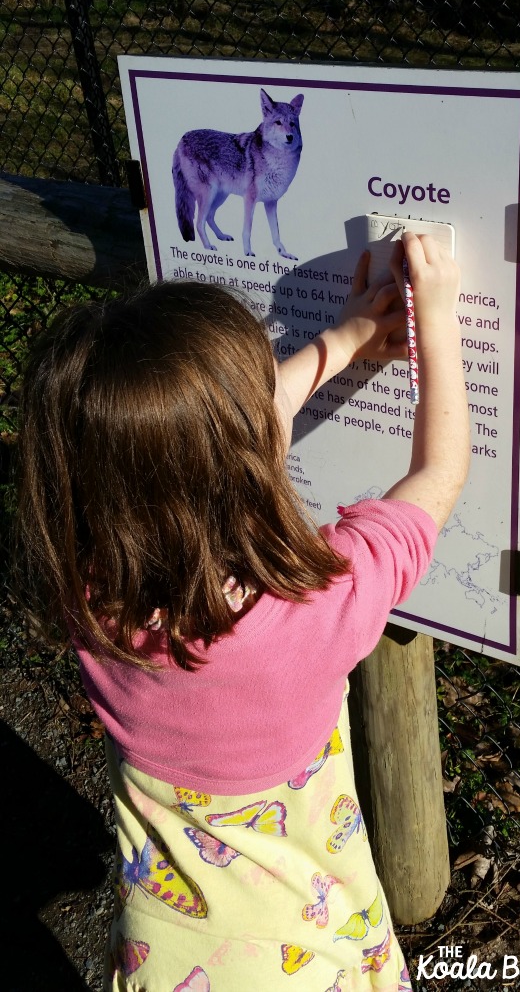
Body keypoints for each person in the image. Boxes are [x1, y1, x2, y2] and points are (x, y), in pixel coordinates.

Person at [15, 233, 469, 992]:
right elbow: (438, 473)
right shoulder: (319, 604)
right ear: (248, 454)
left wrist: (344, 338)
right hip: (309, 961)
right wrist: (440, 320)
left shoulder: (89, 593)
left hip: (167, 962)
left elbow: (207, 445)